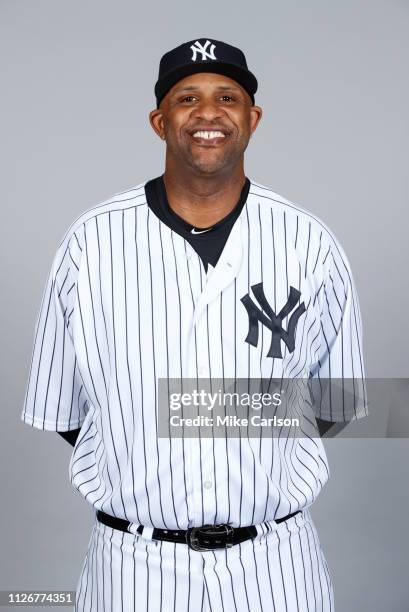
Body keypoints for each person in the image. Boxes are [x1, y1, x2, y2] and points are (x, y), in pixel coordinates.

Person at [21, 38, 367, 612]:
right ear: (160, 121)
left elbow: (335, 400)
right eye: (187, 98)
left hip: (275, 563)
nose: (209, 112)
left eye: (227, 96)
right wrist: (149, 454)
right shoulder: (90, 244)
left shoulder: (311, 244)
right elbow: (64, 410)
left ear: (252, 119)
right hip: (132, 565)